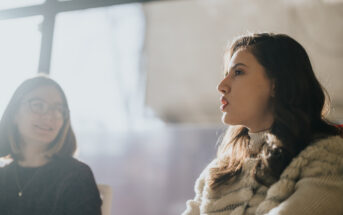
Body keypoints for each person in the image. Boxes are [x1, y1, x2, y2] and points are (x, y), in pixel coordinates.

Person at [182, 33, 343, 215]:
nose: (222, 85)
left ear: (276, 84)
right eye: (226, 74)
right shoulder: (218, 172)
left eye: (238, 72)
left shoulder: (328, 158)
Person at [0, 75, 102, 215]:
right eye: (38, 105)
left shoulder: (76, 177)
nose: (50, 116)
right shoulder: (3, 177)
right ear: (14, 114)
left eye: (58, 109)